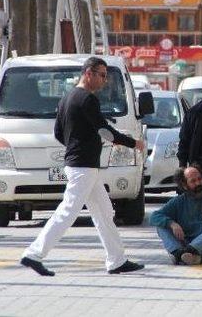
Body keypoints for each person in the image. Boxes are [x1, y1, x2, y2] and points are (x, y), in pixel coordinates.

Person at [20, 57, 146, 277]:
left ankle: (117, 260)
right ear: (89, 73)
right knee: (68, 211)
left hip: (84, 166)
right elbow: (104, 131)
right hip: (83, 167)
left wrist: (76, 145)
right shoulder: (87, 99)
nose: (104, 81)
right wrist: (133, 143)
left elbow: (58, 133)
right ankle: (34, 254)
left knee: (104, 212)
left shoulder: (67, 98)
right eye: (102, 75)